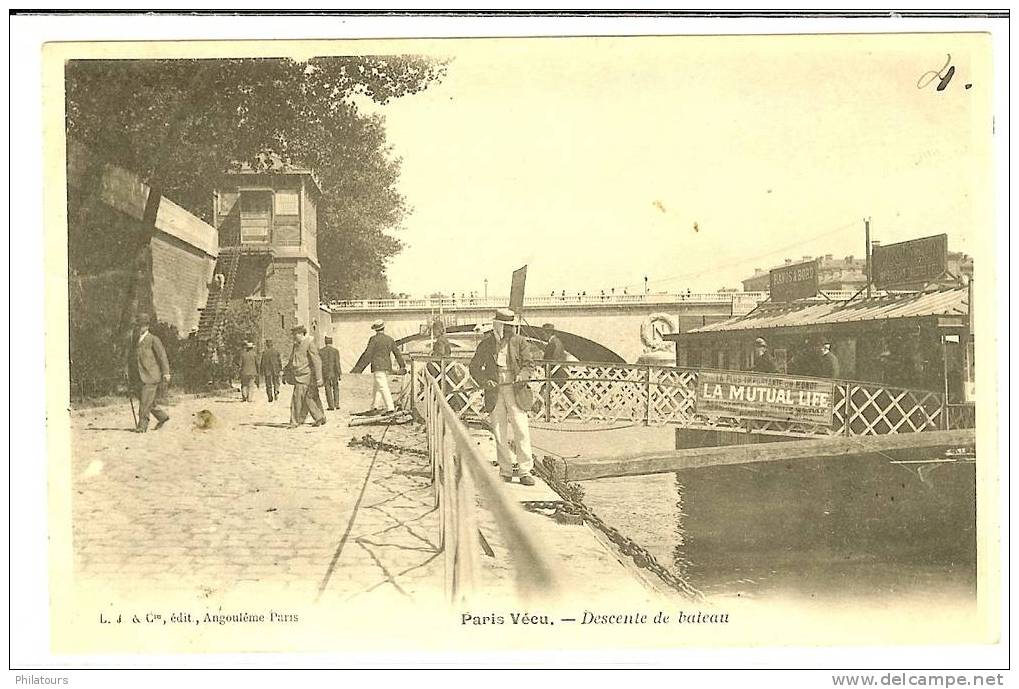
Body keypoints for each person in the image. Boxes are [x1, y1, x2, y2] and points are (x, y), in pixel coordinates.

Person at [468, 309, 537, 486]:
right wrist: (485, 381)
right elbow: (474, 367)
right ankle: (505, 470)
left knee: (521, 429)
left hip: (516, 388)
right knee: (499, 431)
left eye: (511, 327)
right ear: (497, 326)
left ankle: (525, 471)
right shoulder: (486, 345)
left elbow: (529, 365)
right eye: (506, 327)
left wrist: (522, 375)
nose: (509, 330)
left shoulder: (520, 342)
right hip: (495, 388)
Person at [352, 320, 407, 414]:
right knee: (377, 387)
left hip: (378, 366)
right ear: (383, 328)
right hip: (387, 367)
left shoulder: (373, 339)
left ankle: (390, 408)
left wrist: (358, 368)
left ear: (375, 330)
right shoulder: (390, 339)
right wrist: (402, 365)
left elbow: (367, 354)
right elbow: (397, 353)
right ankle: (374, 406)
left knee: (382, 386)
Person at [128, 312, 171, 433]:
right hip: (138, 376)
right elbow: (131, 358)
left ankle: (142, 426)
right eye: (137, 326)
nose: (139, 328)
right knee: (147, 401)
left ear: (147, 326)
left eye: (141, 326)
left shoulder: (153, 339)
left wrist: (166, 372)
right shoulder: (135, 340)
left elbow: (162, 356)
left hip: (151, 376)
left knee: (145, 404)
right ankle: (162, 417)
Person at [286, 325, 326, 428]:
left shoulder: (309, 343)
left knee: (297, 399)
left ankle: (295, 421)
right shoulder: (296, 345)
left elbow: (317, 361)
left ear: (301, 333)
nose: (294, 337)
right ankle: (320, 417)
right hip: (299, 375)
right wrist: (286, 371)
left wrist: (319, 378)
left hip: (305, 376)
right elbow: (292, 360)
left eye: (295, 334)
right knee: (310, 398)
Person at [319, 336, 342, 411]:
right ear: (331, 342)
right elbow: (337, 363)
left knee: (328, 388)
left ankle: (331, 405)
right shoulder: (335, 351)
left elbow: (320, 363)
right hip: (334, 373)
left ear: (325, 342)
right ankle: (337, 404)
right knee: (336, 388)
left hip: (325, 373)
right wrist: (339, 373)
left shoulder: (321, 351)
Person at [259, 338, 282, 403]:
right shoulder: (276, 351)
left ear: (267, 345)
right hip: (275, 369)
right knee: (276, 382)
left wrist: (261, 371)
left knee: (268, 384)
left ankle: (270, 397)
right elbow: (279, 361)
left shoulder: (264, 352)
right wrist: (280, 369)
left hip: (267, 370)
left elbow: (262, 362)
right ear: (272, 344)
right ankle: (276, 390)